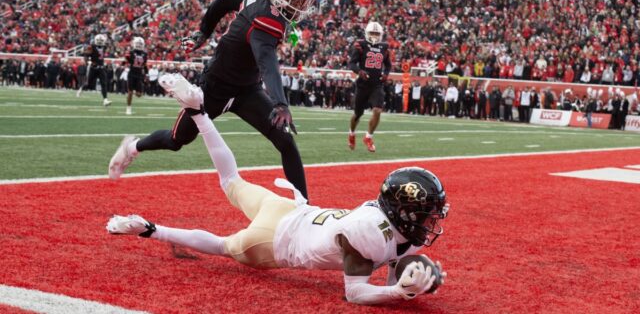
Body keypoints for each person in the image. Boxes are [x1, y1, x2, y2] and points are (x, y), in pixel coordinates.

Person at [107, 77, 449, 305]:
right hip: (274, 241)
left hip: (288, 209)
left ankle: (198, 112)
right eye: (427, 212)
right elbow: (356, 293)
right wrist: (399, 292)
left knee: (231, 181)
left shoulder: (389, 225)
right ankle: (152, 230)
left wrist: (421, 278)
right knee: (223, 246)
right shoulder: (368, 233)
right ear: (403, 211)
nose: (431, 219)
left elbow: (396, 264)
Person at [108, 0, 316, 199]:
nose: (299, 6)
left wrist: (203, 32)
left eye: (302, 0)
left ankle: (304, 208)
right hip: (214, 88)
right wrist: (280, 103)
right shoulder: (265, 18)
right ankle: (131, 148)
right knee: (176, 140)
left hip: (247, 90)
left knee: (285, 141)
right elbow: (267, 62)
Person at [347, 21, 391, 152]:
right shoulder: (360, 45)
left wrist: (386, 74)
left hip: (376, 84)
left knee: (377, 110)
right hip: (362, 85)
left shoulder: (384, 47)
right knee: (357, 114)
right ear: (367, 33)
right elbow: (352, 64)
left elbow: (388, 65)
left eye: (377, 33)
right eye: (372, 33)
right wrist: (360, 72)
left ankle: (368, 137)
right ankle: (351, 134)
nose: (374, 36)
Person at [77, 34, 112, 106]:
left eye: (101, 41)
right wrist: (86, 60)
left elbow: (109, 46)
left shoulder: (104, 47)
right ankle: (81, 88)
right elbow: (86, 54)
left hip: (101, 68)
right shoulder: (92, 47)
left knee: (104, 84)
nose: (99, 42)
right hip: (94, 68)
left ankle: (105, 100)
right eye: (98, 40)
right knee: (88, 83)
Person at [125, 37, 148, 115]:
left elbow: (144, 65)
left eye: (140, 44)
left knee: (139, 95)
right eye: (137, 44)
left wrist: (146, 74)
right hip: (132, 74)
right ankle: (128, 108)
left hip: (139, 75)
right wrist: (128, 56)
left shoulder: (144, 54)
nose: (138, 45)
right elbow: (128, 59)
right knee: (130, 92)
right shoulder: (131, 52)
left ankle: (132, 93)